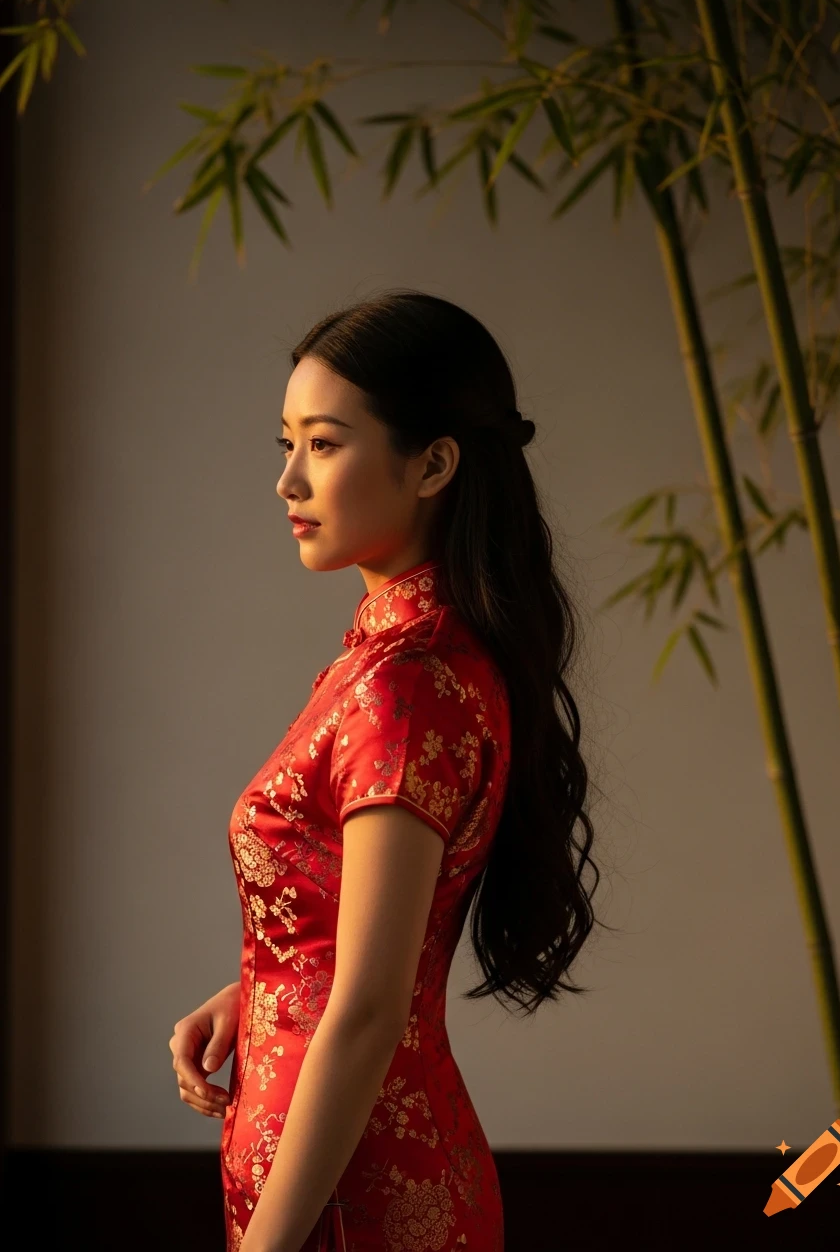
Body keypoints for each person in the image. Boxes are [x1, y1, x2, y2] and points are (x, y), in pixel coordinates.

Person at [168, 289, 611, 1251]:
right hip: (337, 1168)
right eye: (284, 444)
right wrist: (266, 984)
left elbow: (371, 1009)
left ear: (434, 463)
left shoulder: (404, 686)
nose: (288, 481)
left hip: (350, 1199)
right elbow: (368, 950)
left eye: (323, 445)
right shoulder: (402, 659)